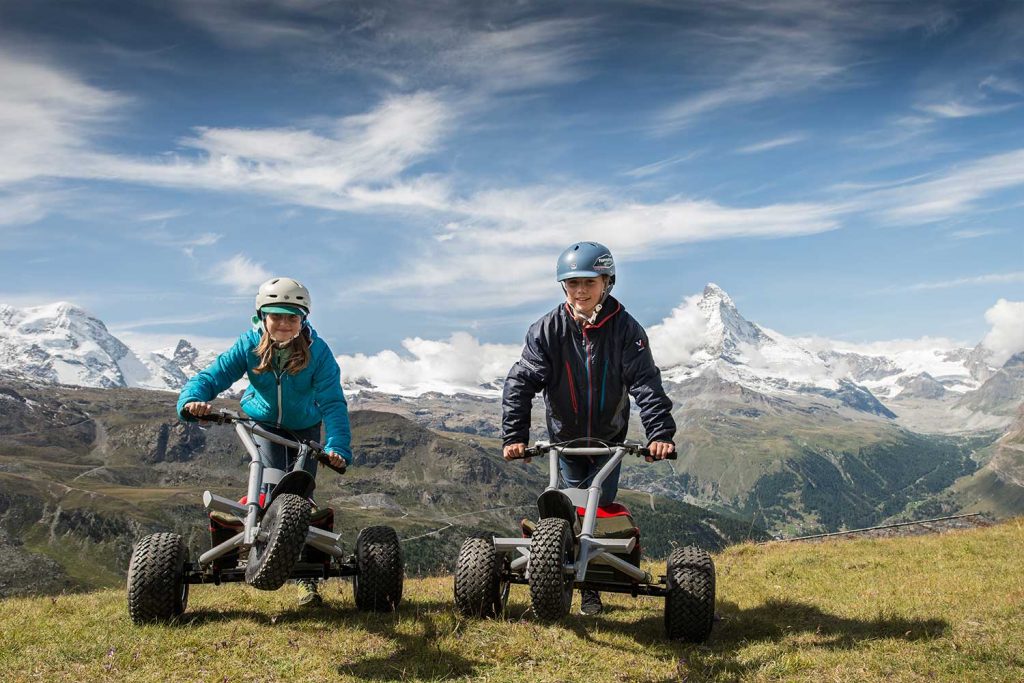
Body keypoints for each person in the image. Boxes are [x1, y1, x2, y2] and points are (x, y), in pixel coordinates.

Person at [502, 241, 676, 616]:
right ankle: (554, 580)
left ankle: (589, 591)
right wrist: (514, 435)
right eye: (572, 284)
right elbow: (522, 381)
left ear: (607, 282)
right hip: (565, 441)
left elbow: (645, 383)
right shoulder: (547, 329)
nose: (580, 291)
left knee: (595, 510)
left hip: (607, 441)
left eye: (588, 283)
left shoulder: (626, 330)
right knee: (566, 507)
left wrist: (659, 434)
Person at [177, 276, 351, 606]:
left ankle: (306, 581)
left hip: (305, 428)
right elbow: (214, 375)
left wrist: (337, 448)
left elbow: (333, 403)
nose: (284, 324)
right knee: (269, 482)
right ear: (262, 316)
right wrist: (192, 400)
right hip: (263, 425)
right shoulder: (248, 344)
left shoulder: (320, 354)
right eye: (276, 316)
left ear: (304, 319)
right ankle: (243, 532)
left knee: (300, 494)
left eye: (292, 317)